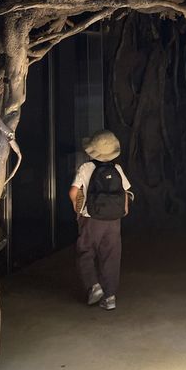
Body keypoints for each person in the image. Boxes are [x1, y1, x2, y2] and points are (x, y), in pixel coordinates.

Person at [69, 130, 131, 311]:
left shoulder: (86, 168)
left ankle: (94, 286)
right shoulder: (117, 169)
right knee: (111, 255)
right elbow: (125, 191)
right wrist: (123, 210)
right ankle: (110, 297)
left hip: (91, 218)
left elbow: (73, 192)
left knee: (85, 251)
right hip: (113, 220)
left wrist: (78, 209)